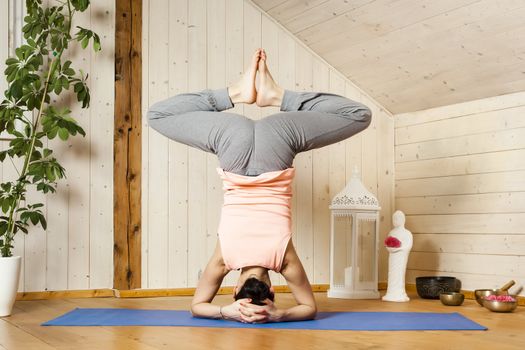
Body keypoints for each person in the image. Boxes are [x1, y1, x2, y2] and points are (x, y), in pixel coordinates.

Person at [147, 48, 372, 323]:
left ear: (273, 287)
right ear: (234, 289)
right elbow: (198, 306)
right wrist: (223, 311)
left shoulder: (284, 261)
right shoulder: (224, 260)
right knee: (156, 116)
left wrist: (279, 315)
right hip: (232, 145)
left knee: (359, 115)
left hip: (276, 145)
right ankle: (236, 93)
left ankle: (276, 96)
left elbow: (309, 308)